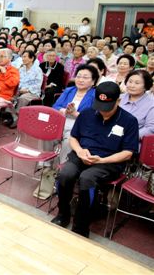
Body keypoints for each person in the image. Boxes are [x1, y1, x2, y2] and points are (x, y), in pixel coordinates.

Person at [51, 82, 138, 238]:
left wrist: (102, 161)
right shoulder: (87, 114)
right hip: (82, 155)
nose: (103, 111)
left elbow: (128, 153)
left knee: (87, 178)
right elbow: (73, 138)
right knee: (65, 174)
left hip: (109, 162)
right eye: (99, 106)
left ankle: (81, 225)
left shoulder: (129, 121)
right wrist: (80, 151)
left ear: (118, 101)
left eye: (107, 107)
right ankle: (63, 214)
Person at [52, 64, 99, 162]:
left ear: (93, 81)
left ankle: (62, 167)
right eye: (78, 76)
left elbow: (94, 117)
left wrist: (75, 113)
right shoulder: (69, 90)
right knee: (46, 134)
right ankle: (46, 164)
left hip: (79, 125)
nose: (81, 80)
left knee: (68, 142)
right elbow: (55, 106)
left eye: (85, 77)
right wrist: (65, 111)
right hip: (62, 121)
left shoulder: (95, 95)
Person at [119, 70, 154, 139]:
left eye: (137, 83)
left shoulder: (151, 104)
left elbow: (150, 128)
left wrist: (128, 136)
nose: (132, 85)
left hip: (133, 142)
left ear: (145, 86)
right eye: (130, 81)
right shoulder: (119, 98)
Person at [14, 51, 43, 122]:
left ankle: (16, 117)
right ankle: (10, 114)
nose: (23, 59)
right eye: (22, 57)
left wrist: (27, 90)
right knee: (10, 95)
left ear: (32, 58)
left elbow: (38, 85)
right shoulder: (21, 69)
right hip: (20, 90)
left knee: (22, 98)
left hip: (32, 92)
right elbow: (17, 80)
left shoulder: (37, 70)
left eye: (25, 57)